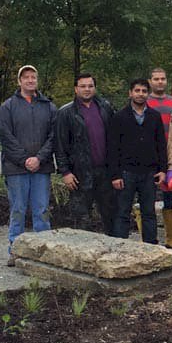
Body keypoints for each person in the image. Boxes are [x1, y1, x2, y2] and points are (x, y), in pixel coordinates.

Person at [0, 65, 56, 267]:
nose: (30, 80)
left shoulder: (48, 106)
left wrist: (39, 158)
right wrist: (24, 159)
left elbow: (53, 136)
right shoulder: (8, 106)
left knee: (41, 210)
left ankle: (45, 251)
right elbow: (6, 136)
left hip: (42, 167)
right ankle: (15, 251)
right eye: (26, 77)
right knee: (18, 209)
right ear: (19, 81)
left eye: (33, 77)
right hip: (16, 168)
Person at [54, 73, 115, 234]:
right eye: (83, 86)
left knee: (110, 216)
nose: (87, 89)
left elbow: (115, 140)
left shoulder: (106, 107)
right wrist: (65, 172)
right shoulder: (65, 113)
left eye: (90, 86)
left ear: (95, 88)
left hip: (105, 172)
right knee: (82, 219)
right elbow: (60, 145)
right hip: (79, 173)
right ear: (76, 89)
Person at [107, 79, 167, 243]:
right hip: (126, 172)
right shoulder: (119, 117)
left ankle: (151, 247)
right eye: (137, 90)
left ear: (148, 94)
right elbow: (112, 148)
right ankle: (120, 246)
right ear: (130, 93)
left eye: (143, 91)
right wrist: (115, 175)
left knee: (149, 212)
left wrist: (162, 169)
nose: (140, 94)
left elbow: (161, 144)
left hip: (149, 172)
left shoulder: (154, 117)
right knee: (122, 212)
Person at [147, 68, 172, 248]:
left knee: (169, 196)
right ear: (150, 81)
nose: (160, 82)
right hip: (148, 156)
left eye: (163, 79)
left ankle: (171, 239)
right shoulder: (144, 101)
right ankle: (148, 239)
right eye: (156, 79)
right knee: (147, 198)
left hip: (170, 155)